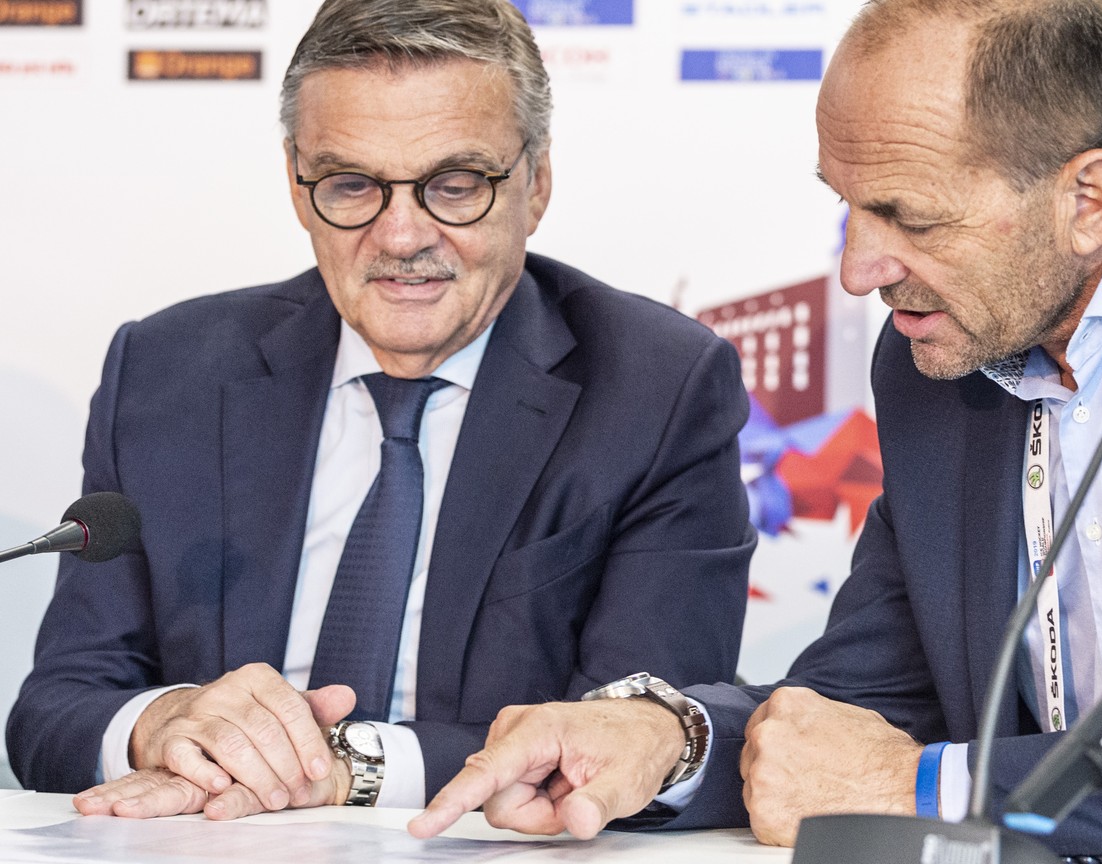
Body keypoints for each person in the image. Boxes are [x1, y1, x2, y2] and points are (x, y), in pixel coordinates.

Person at [406, 0, 1102, 860]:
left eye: (906, 214)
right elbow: (863, 704)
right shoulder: (946, 339)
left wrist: (932, 791)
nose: (856, 268)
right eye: (846, 203)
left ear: (1088, 198)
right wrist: (669, 739)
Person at [5, 0, 755, 820]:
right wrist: (161, 724)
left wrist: (346, 767)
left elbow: (630, 745)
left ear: (536, 184)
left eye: (455, 185)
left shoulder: (657, 387)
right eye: (353, 184)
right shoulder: (166, 371)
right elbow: (54, 711)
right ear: (298, 182)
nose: (401, 235)